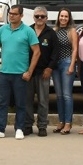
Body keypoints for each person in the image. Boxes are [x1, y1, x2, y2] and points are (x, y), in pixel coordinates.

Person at [0, 5, 40, 140]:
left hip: (20, 74)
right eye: (10, 13)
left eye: (15, 14)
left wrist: (29, 71)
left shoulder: (28, 31)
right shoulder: (2, 30)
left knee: (21, 103)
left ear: (21, 15)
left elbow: (37, 52)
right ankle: (0, 129)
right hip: (4, 73)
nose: (11, 16)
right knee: (2, 103)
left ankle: (19, 128)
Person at [26, 7, 58, 137]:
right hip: (28, 72)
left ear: (47, 18)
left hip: (43, 72)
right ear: (33, 17)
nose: (40, 18)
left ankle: (42, 126)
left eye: (42, 16)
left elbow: (55, 53)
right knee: (27, 100)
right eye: (37, 16)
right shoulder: (27, 30)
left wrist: (50, 68)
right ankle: (27, 125)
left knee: (43, 101)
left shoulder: (51, 33)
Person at [51, 8, 78, 135]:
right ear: (58, 17)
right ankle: (61, 121)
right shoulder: (54, 30)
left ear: (69, 18)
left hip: (67, 63)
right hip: (55, 65)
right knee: (59, 95)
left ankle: (68, 123)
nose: (63, 18)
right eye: (61, 16)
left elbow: (75, 49)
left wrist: (72, 65)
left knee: (67, 95)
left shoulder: (72, 31)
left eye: (66, 16)